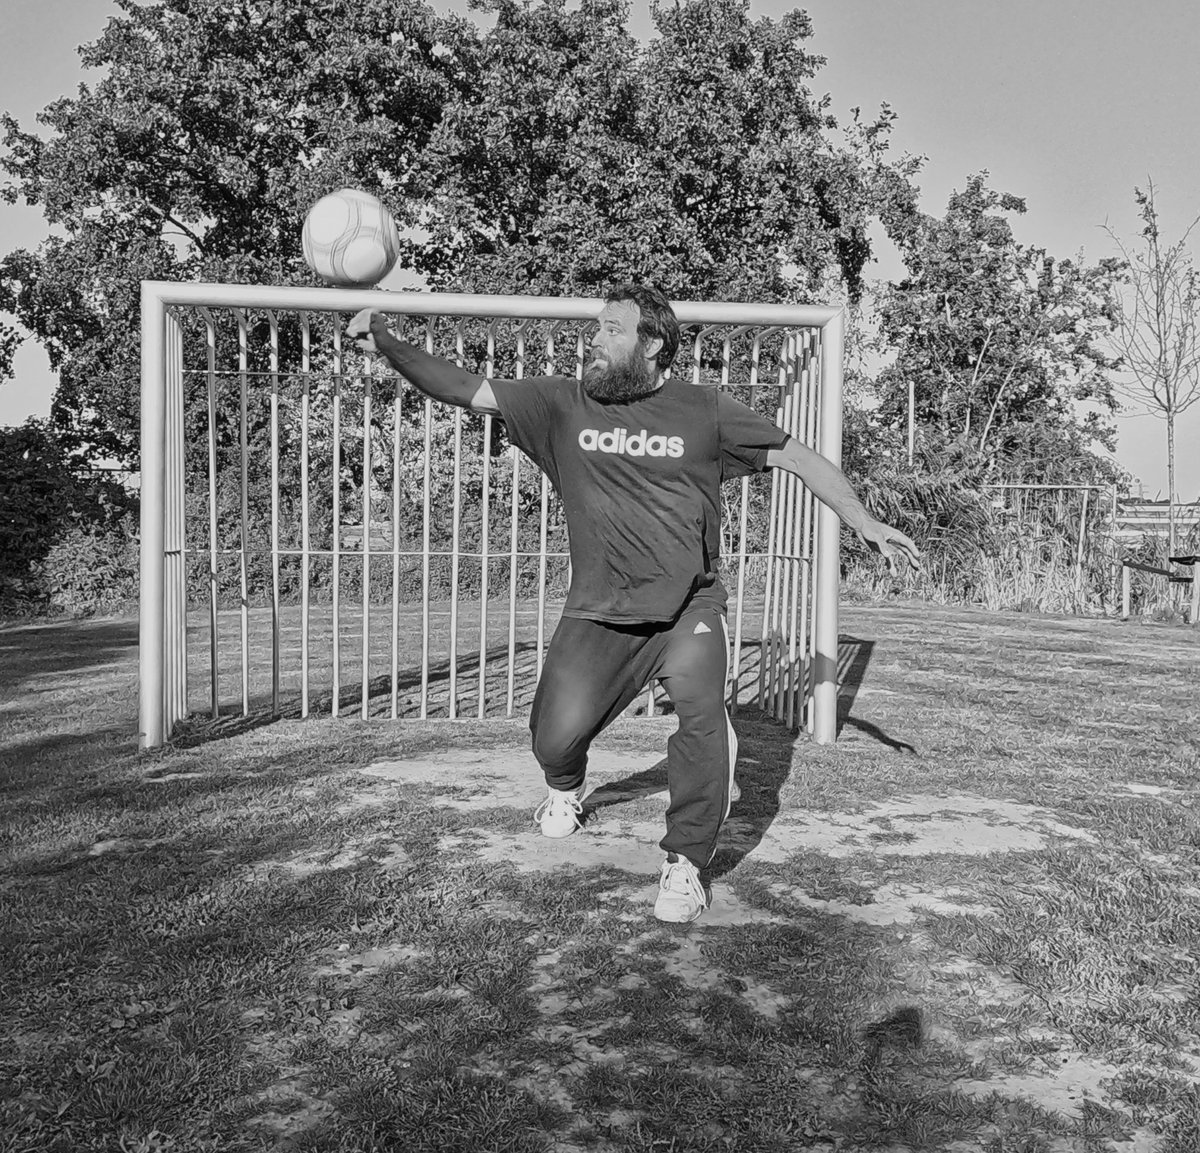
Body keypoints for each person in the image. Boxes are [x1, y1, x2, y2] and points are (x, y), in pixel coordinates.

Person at [347, 285, 920, 923]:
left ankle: (685, 863)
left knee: (702, 723)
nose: (593, 339)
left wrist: (862, 520)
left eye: (611, 329)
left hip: (688, 612)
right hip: (597, 613)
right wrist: (392, 346)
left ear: (652, 342)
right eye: (596, 328)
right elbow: (463, 387)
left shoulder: (704, 410)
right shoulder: (560, 404)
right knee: (553, 739)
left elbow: (799, 456)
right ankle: (564, 791)